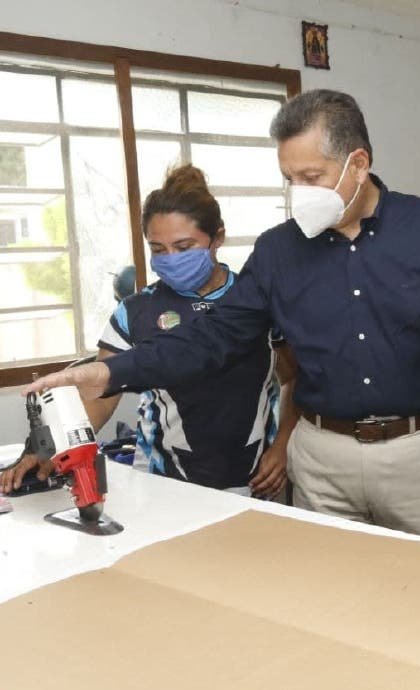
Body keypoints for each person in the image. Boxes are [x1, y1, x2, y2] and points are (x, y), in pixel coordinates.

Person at [25, 90, 420, 545]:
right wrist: (110, 372)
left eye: (312, 177)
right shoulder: (280, 250)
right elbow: (213, 336)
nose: (299, 192)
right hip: (322, 458)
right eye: (289, 179)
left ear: (359, 163)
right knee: (324, 590)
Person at [3, 165, 292, 500]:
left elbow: (294, 377)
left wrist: (283, 445)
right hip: (162, 480)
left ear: (218, 238)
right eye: (158, 249)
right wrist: (50, 449)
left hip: (252, 479)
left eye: (184, 247)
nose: (171, 259)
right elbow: (100, 396)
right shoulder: (136, 311)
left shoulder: (255, 301)